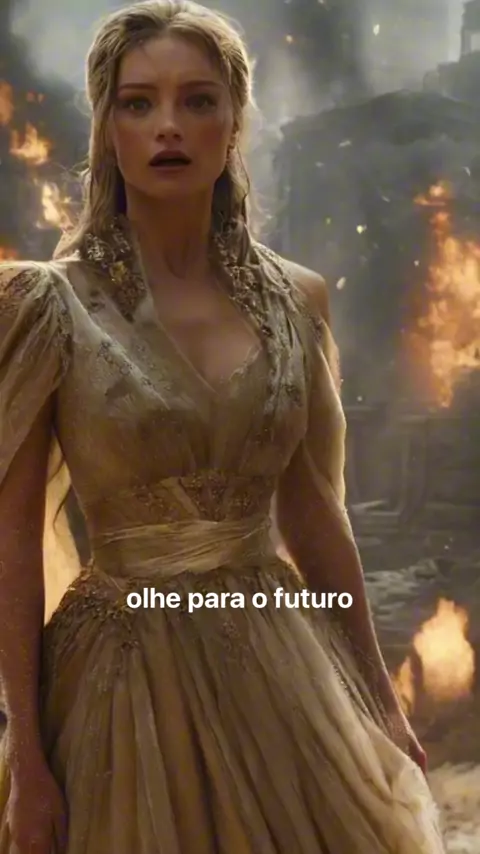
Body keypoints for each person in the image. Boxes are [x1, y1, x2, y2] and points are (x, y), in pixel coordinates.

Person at [0, 2, 445, 852]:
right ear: (108, 127)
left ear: (235, 120)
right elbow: (11, 536)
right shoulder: (46, 303)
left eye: (198, 100)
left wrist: (380, 701)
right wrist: (27, 756)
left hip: (279, 668)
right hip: (117, 684)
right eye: (139, 103)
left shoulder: (297, 299)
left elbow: (314, 514)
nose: (168, 126)